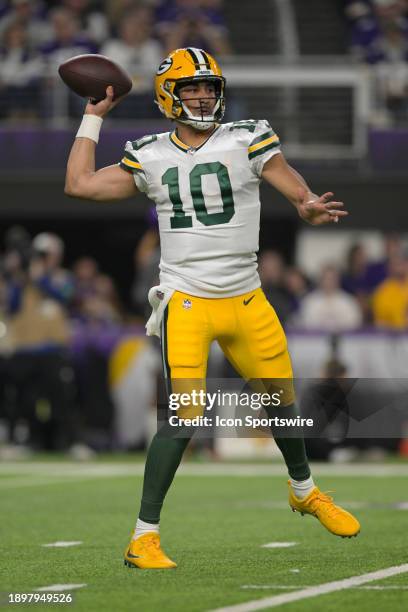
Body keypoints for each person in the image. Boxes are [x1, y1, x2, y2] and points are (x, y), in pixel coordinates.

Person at [64, 47, 360, 570]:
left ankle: (304, 491)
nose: (203, 96)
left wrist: (306, 201)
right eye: (191, 88)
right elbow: (79, 185)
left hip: (246, 298)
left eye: (209, 87)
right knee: (183, 416)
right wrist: (92, 117)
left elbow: (288, 180)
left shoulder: (248, 136)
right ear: (167, 97)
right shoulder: (149, 152)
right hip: (187, 299)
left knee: (281, 403)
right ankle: (143, 537)